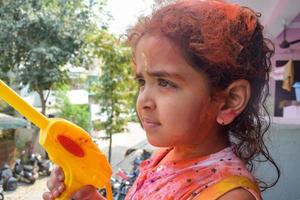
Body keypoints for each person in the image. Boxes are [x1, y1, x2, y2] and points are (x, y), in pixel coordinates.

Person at [42, 0, 280, 199]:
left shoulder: (229, 196)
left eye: (165, 83)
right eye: (142, 82)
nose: (144, 100)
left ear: (229, 100)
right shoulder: (166, 155)